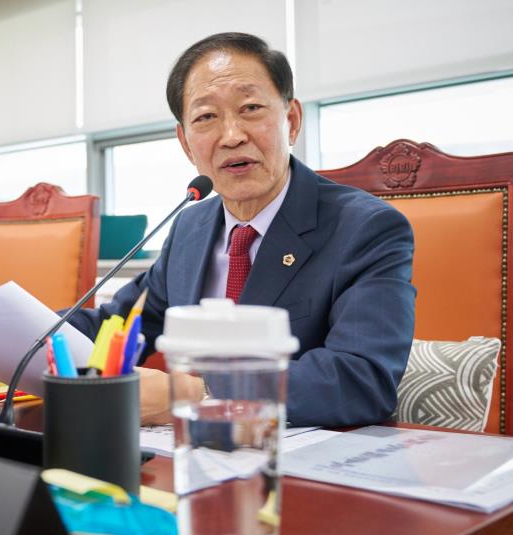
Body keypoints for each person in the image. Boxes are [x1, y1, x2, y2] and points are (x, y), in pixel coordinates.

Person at [67, 32, 416, 428]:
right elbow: (120, 324)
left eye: (250, 108)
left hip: (300, 454)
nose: (232, 136)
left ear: (291, 121)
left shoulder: (365, 228)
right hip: (193, 452)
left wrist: (201, 394)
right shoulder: (190, 226)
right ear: (186, 143)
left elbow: (362, 379)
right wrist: (28, 336)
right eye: (206, 117)